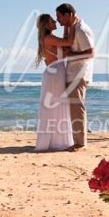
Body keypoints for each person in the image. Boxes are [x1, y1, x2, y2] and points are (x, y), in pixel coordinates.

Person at [56, 3, 94, 151]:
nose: (58, 21)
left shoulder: (81, 30)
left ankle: (80, 143)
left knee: (77, 107)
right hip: (73, 72)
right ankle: (76, 139)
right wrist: (66, 28)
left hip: (79, 73)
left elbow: (91, 52)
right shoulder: (72, 28)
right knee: (73, 107)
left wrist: (71, 56)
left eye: (59, 17)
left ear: (68, 15)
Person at [33, 13, 75, 151]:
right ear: (46, 24)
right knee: (57, 106)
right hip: (55, 73)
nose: (56, 21)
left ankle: (54, 141)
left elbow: (64, 42)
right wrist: (71, 24)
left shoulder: (49, 38)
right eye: (52, 20)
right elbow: (68, 42)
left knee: (55, 107)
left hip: (54, 72)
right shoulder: (49, 38)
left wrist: (66, 27)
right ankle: (57, 141)